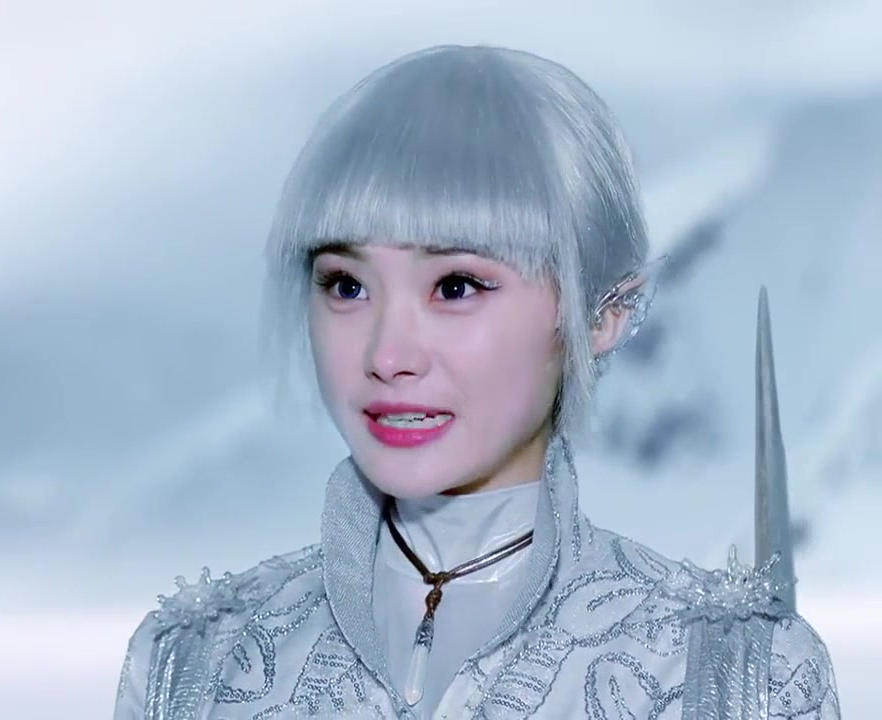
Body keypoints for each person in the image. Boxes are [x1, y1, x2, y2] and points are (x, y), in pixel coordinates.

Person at [112, 45, 839, 719]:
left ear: (604, 312)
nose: (388, 354)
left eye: (456, 286)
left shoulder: (732, 675)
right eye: (346, 285)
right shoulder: (190, 666)